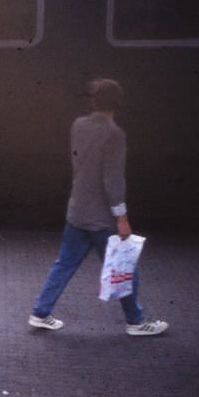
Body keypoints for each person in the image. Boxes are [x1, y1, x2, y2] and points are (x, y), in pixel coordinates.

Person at [28, 78, 168, 336]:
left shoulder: (78, 125)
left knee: (64, 264)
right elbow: (112, 179)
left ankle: (40, 312)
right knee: (123, 267)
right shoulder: (115, 134)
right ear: (118, 104)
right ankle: (136, 322)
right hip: (102, 217)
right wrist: (122, 217)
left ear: (93, 100)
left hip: (77, 210)